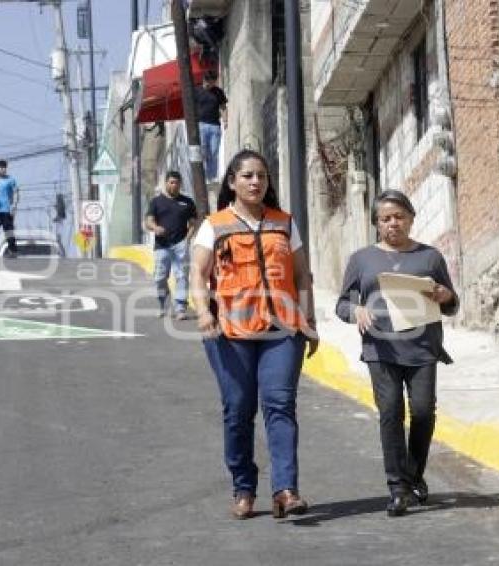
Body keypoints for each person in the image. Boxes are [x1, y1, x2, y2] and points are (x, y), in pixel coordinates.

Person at [190, 149, 318, 520]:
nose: (255, 182)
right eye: (247, 176)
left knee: (280, 404)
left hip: (282, 329)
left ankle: (286, 490)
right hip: (230, 334)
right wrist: (203, 313)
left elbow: (301, 275)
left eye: (261, 176)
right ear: (232, 182)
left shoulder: (284, 223)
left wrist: (309, 320)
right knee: (238, 410)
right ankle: (244, 487)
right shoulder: (214, 225)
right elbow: (198, 273)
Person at [335, 190, 459, 517]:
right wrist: (356, 311)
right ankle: (398, 488)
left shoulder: (430, 258)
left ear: (411, 219)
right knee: (390, 413)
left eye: (399, 217)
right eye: (386, 218)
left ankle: (414, 475)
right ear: (377, 223)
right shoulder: (362, 259)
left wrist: (445, 295)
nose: (393, 223)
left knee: (423, 412)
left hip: (422, 348)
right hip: (380, 349)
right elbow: (342, 304)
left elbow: (451, 303)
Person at [145, 171, 197, 320]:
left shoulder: (187, 202)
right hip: (162, 246)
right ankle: (164, 304)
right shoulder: (156, 201)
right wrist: (155, 228)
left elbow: (193, 223)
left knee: (181, 276)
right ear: (166, 183)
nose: (174, 185)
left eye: (177, 183)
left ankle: (180, 308)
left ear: (180, 184)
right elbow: (149, 221)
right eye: (172, 182)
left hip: (180, 244)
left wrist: (187, 239)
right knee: (159, 278)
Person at [195, 69, 228, 182]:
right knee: (202, 151)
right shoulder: (197, 91)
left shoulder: (218, 92)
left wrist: (225, 120)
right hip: (201, 125)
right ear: (204, 80)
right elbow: (191, 108)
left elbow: (223, 107)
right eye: (210, 82)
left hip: (215, 126)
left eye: (214, 82)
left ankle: (211, 177)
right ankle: (202, 177)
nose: (211, 84)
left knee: (213, 152)